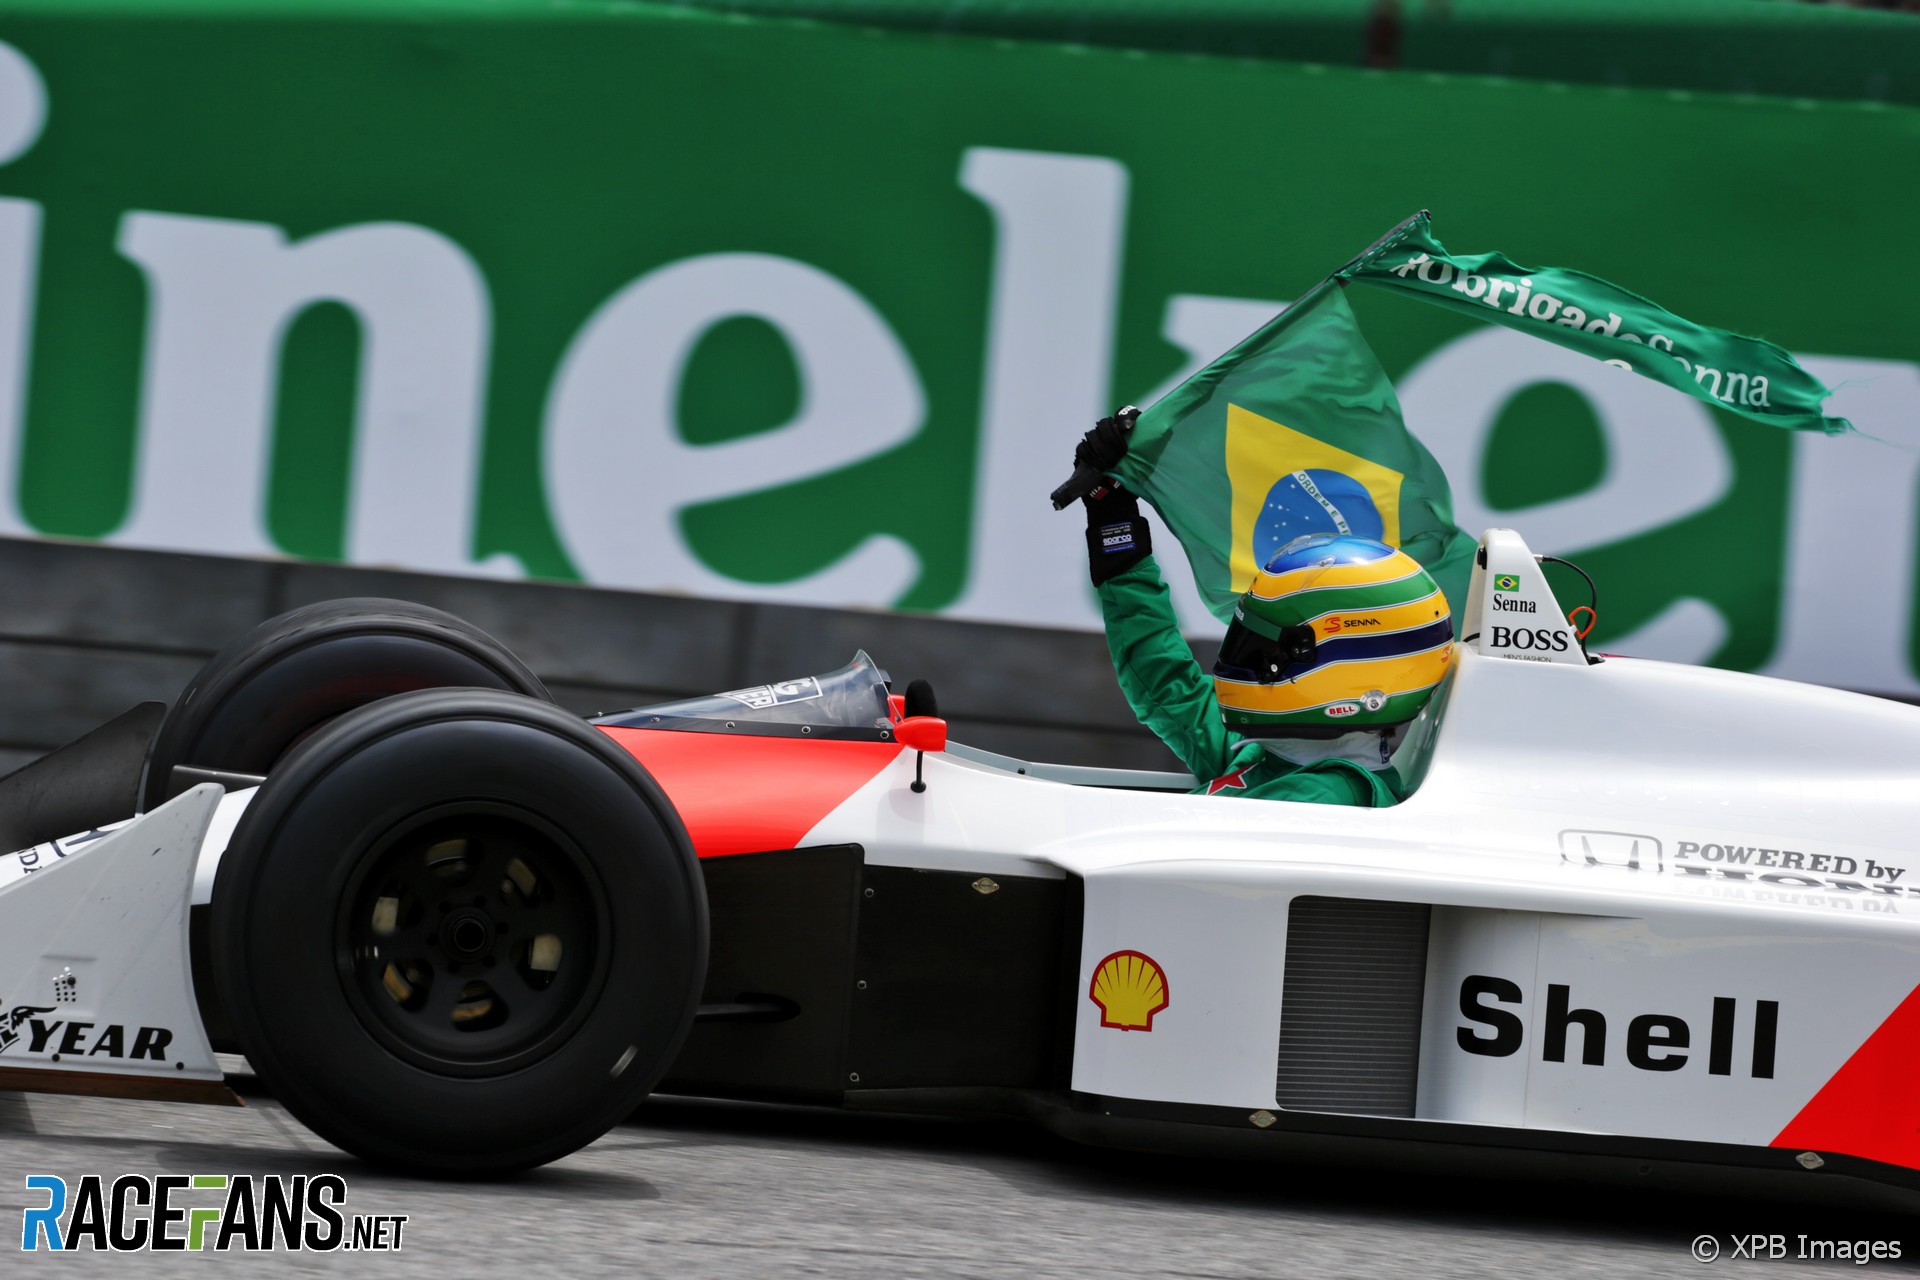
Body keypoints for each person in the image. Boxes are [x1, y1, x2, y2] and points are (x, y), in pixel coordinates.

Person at [1071, 410, 1453, 806]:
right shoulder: (1269, 751)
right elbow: (1164, 681)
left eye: (1266, 652)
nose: (1243, 660)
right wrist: (1112, 517)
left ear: (1345, 672)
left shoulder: (1331, 800)